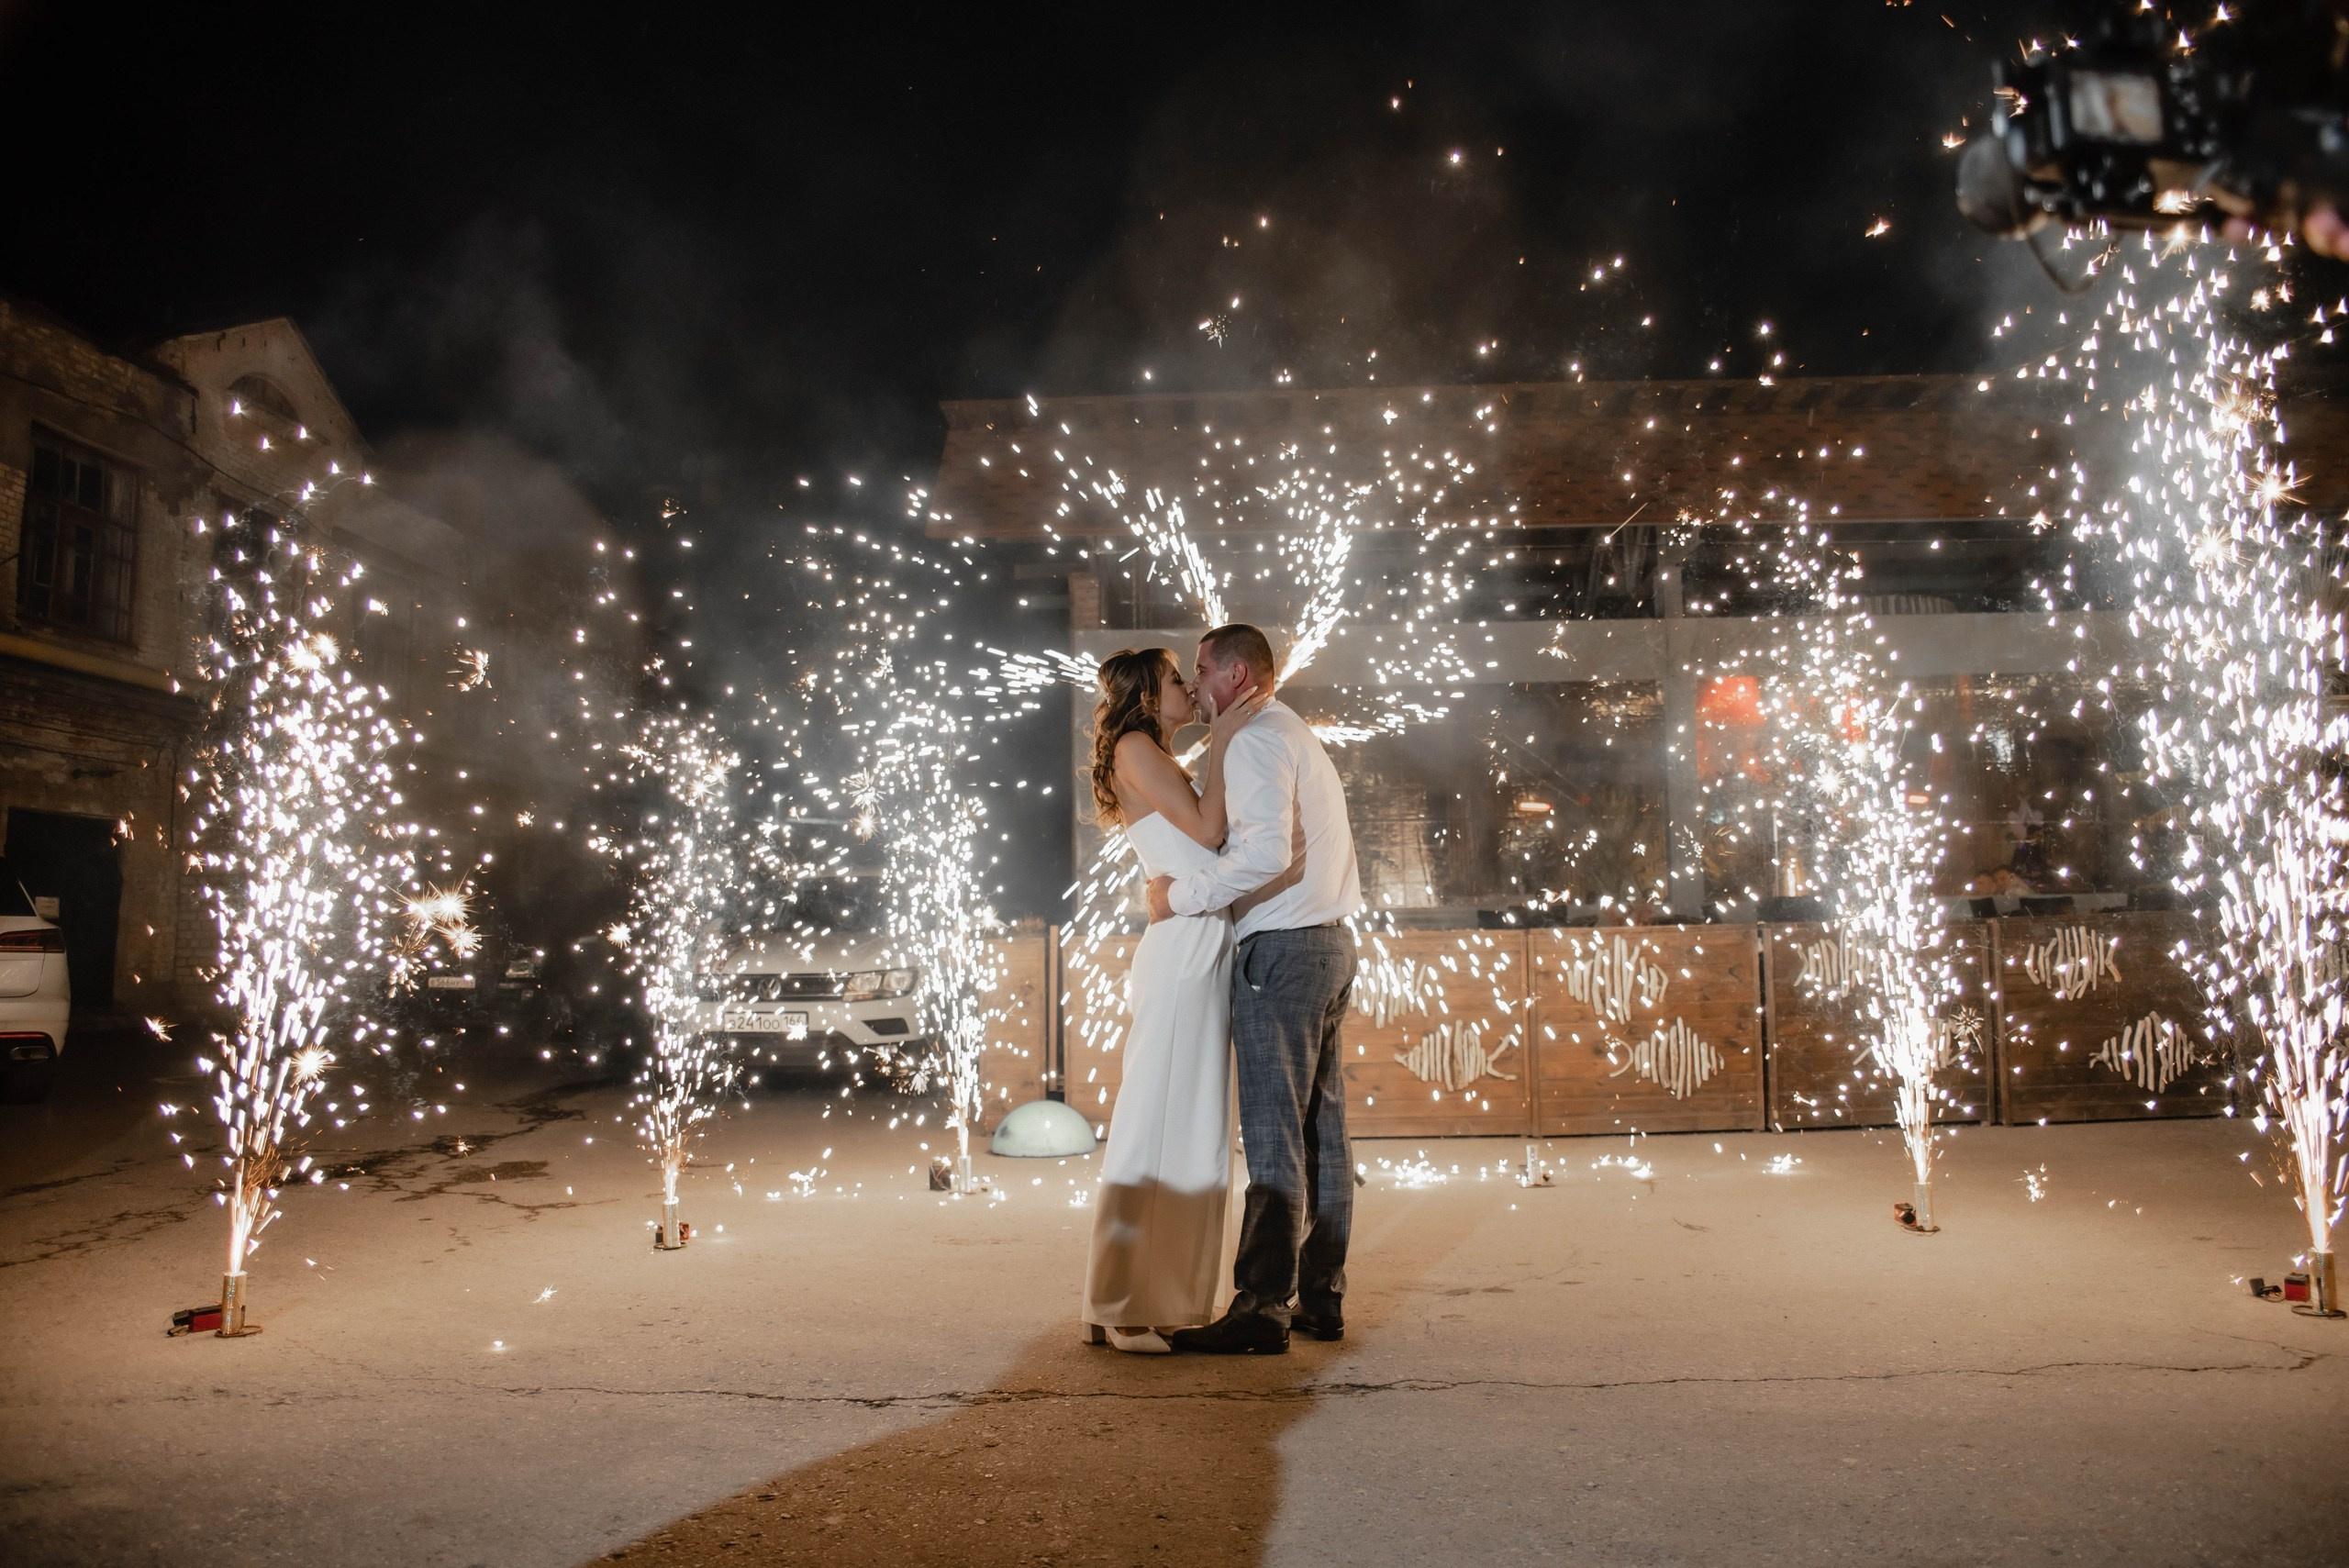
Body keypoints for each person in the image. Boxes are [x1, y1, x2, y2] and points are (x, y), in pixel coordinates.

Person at [1145, 623, 1363, 1355]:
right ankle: (1320, 1296)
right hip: (1327, 942)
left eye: (1202, 669)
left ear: (1236, 674)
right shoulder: (1287, 730)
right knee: (1321, 1135)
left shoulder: (1259, 738)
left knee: (1274, 1137)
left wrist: (1183, 896)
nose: (1197, 684)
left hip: (1284, 950)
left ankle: (1264, 1306)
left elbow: (1266, 851)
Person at [1080, 646, 1266, 1353]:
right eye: (1175, 678)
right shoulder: (1135, 744)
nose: (1190, 686)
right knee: (1162, 1121)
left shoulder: (1148, 750)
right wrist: (1222, 736)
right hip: (1183, 951)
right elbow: (1210, 831)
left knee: (1183, 1126)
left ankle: (1128, 1295)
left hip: (1195, 944)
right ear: (1148, 694)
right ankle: (1128, 1304)